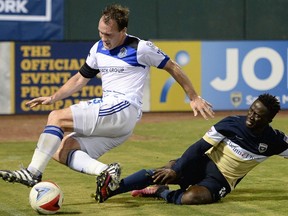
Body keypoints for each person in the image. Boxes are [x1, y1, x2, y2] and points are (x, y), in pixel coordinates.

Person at [0, 4, 214, 197]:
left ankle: (32, 173)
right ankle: (105, 172)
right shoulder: (97, 48)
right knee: (61, 150)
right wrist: (53, 97)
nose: (104, 37)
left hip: (123, 108)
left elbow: (172, 66)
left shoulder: (141, 48)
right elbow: (79, 78)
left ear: (123, 31)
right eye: (101, 32)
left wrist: (193, 96)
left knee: (56, 117)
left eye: (109, 34)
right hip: (118, 123)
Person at [96, 93, 288, 205]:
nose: (251, 116)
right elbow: (199, 148)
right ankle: (111, 190)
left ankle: (160, 192)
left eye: (258, 115)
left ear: (269, 120)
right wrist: (176, 169)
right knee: (165, 170)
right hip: (205, 164)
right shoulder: (231, 123)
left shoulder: (274, 141)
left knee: (192, 197)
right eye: (251, 110)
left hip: (222, 180)